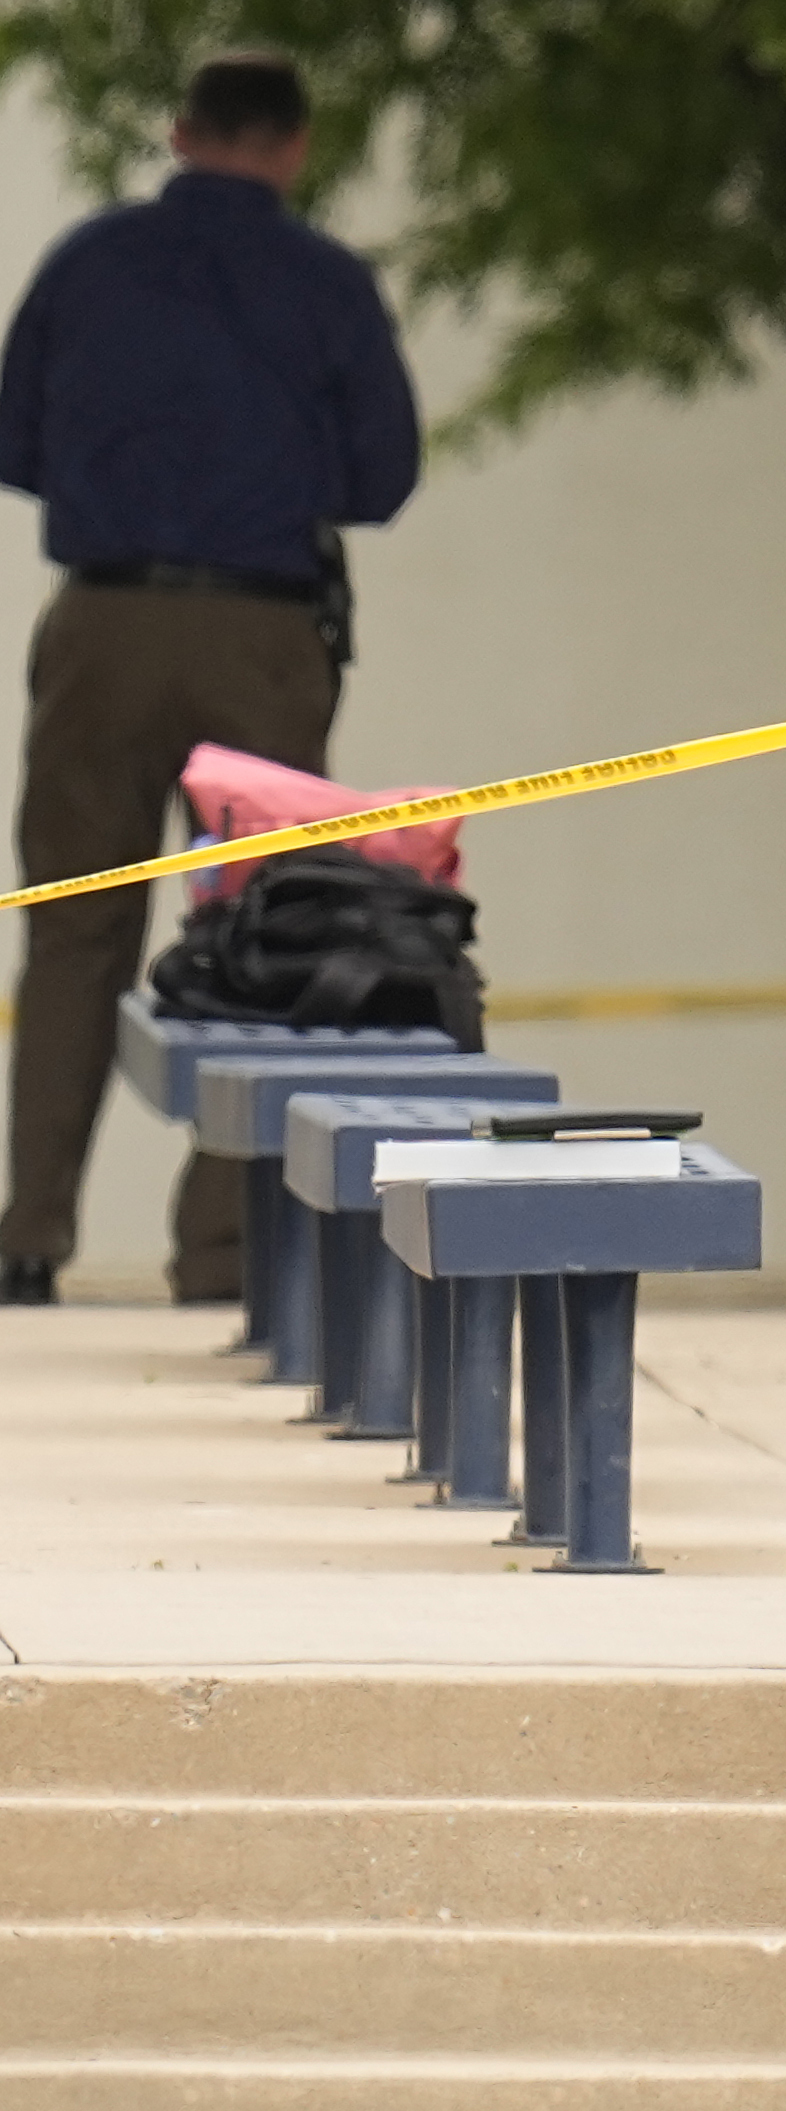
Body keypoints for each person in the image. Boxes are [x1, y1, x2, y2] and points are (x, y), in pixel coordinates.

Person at [0, 52, 421, 1308]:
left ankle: (28, 1237)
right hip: (260, 636)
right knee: (259, 927)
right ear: (294, 148)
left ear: (179, 134)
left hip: (103, 620)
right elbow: (382, 477)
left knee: (75, 922)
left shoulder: (88, 261)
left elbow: (14, 439)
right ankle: (224, 1254)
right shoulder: (327, 282)